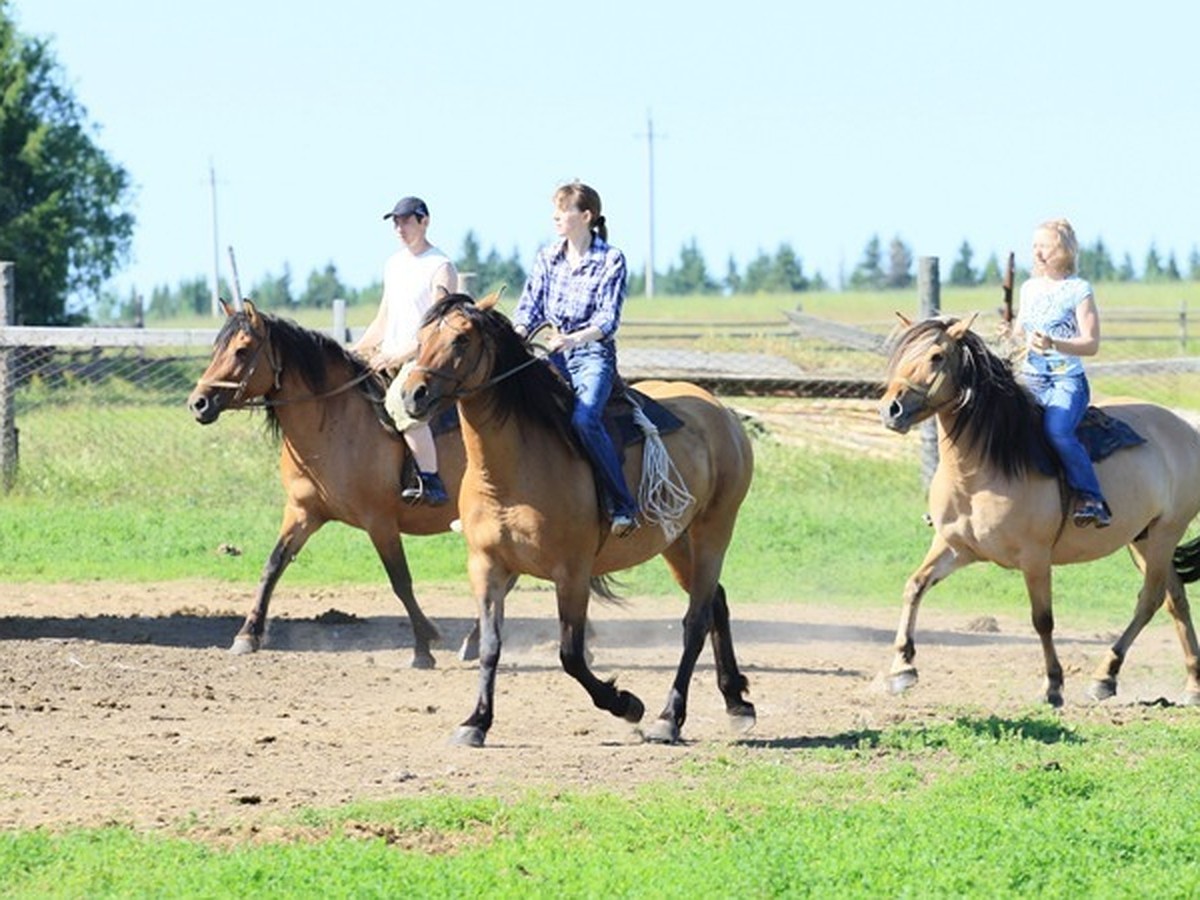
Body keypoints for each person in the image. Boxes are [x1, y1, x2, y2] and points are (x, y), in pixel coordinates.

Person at [513, 181, 639, 536]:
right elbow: (529, 308)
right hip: (552, 352)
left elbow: (607, 320)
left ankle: (622, 505)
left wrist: (572, 339)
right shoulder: (547, 256)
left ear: (586, 216)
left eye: (564, 209)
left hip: (591, 354)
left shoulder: (610, 259)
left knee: (585, 420)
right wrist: (517, 334)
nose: (556, 216)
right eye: (555, 208)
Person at [353, 196, 458, 505]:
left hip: (422, 359)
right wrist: (355, 352)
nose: (400, 227)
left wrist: (400, 355)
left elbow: (439, 330)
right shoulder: (393, 264)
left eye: (406, 220)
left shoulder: (441, 267)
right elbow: (383, 319)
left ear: (425, 221)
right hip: (387, 354)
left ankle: (430, 479)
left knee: (399, 402)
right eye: (396, 222)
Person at [1008, 217, 1111, 528]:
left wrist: (1054, 342)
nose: (1037, 253)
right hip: (1031, 377)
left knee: (1057, 431)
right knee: (996, 424)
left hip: (1067, 380)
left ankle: (1091, 497)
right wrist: (1009, 333)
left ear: (1064, 250)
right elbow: (1018, 334)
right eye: (1034, 246)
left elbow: (1091, 344)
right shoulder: (1028, 289)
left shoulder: (1078, 289)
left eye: (1045, 247)